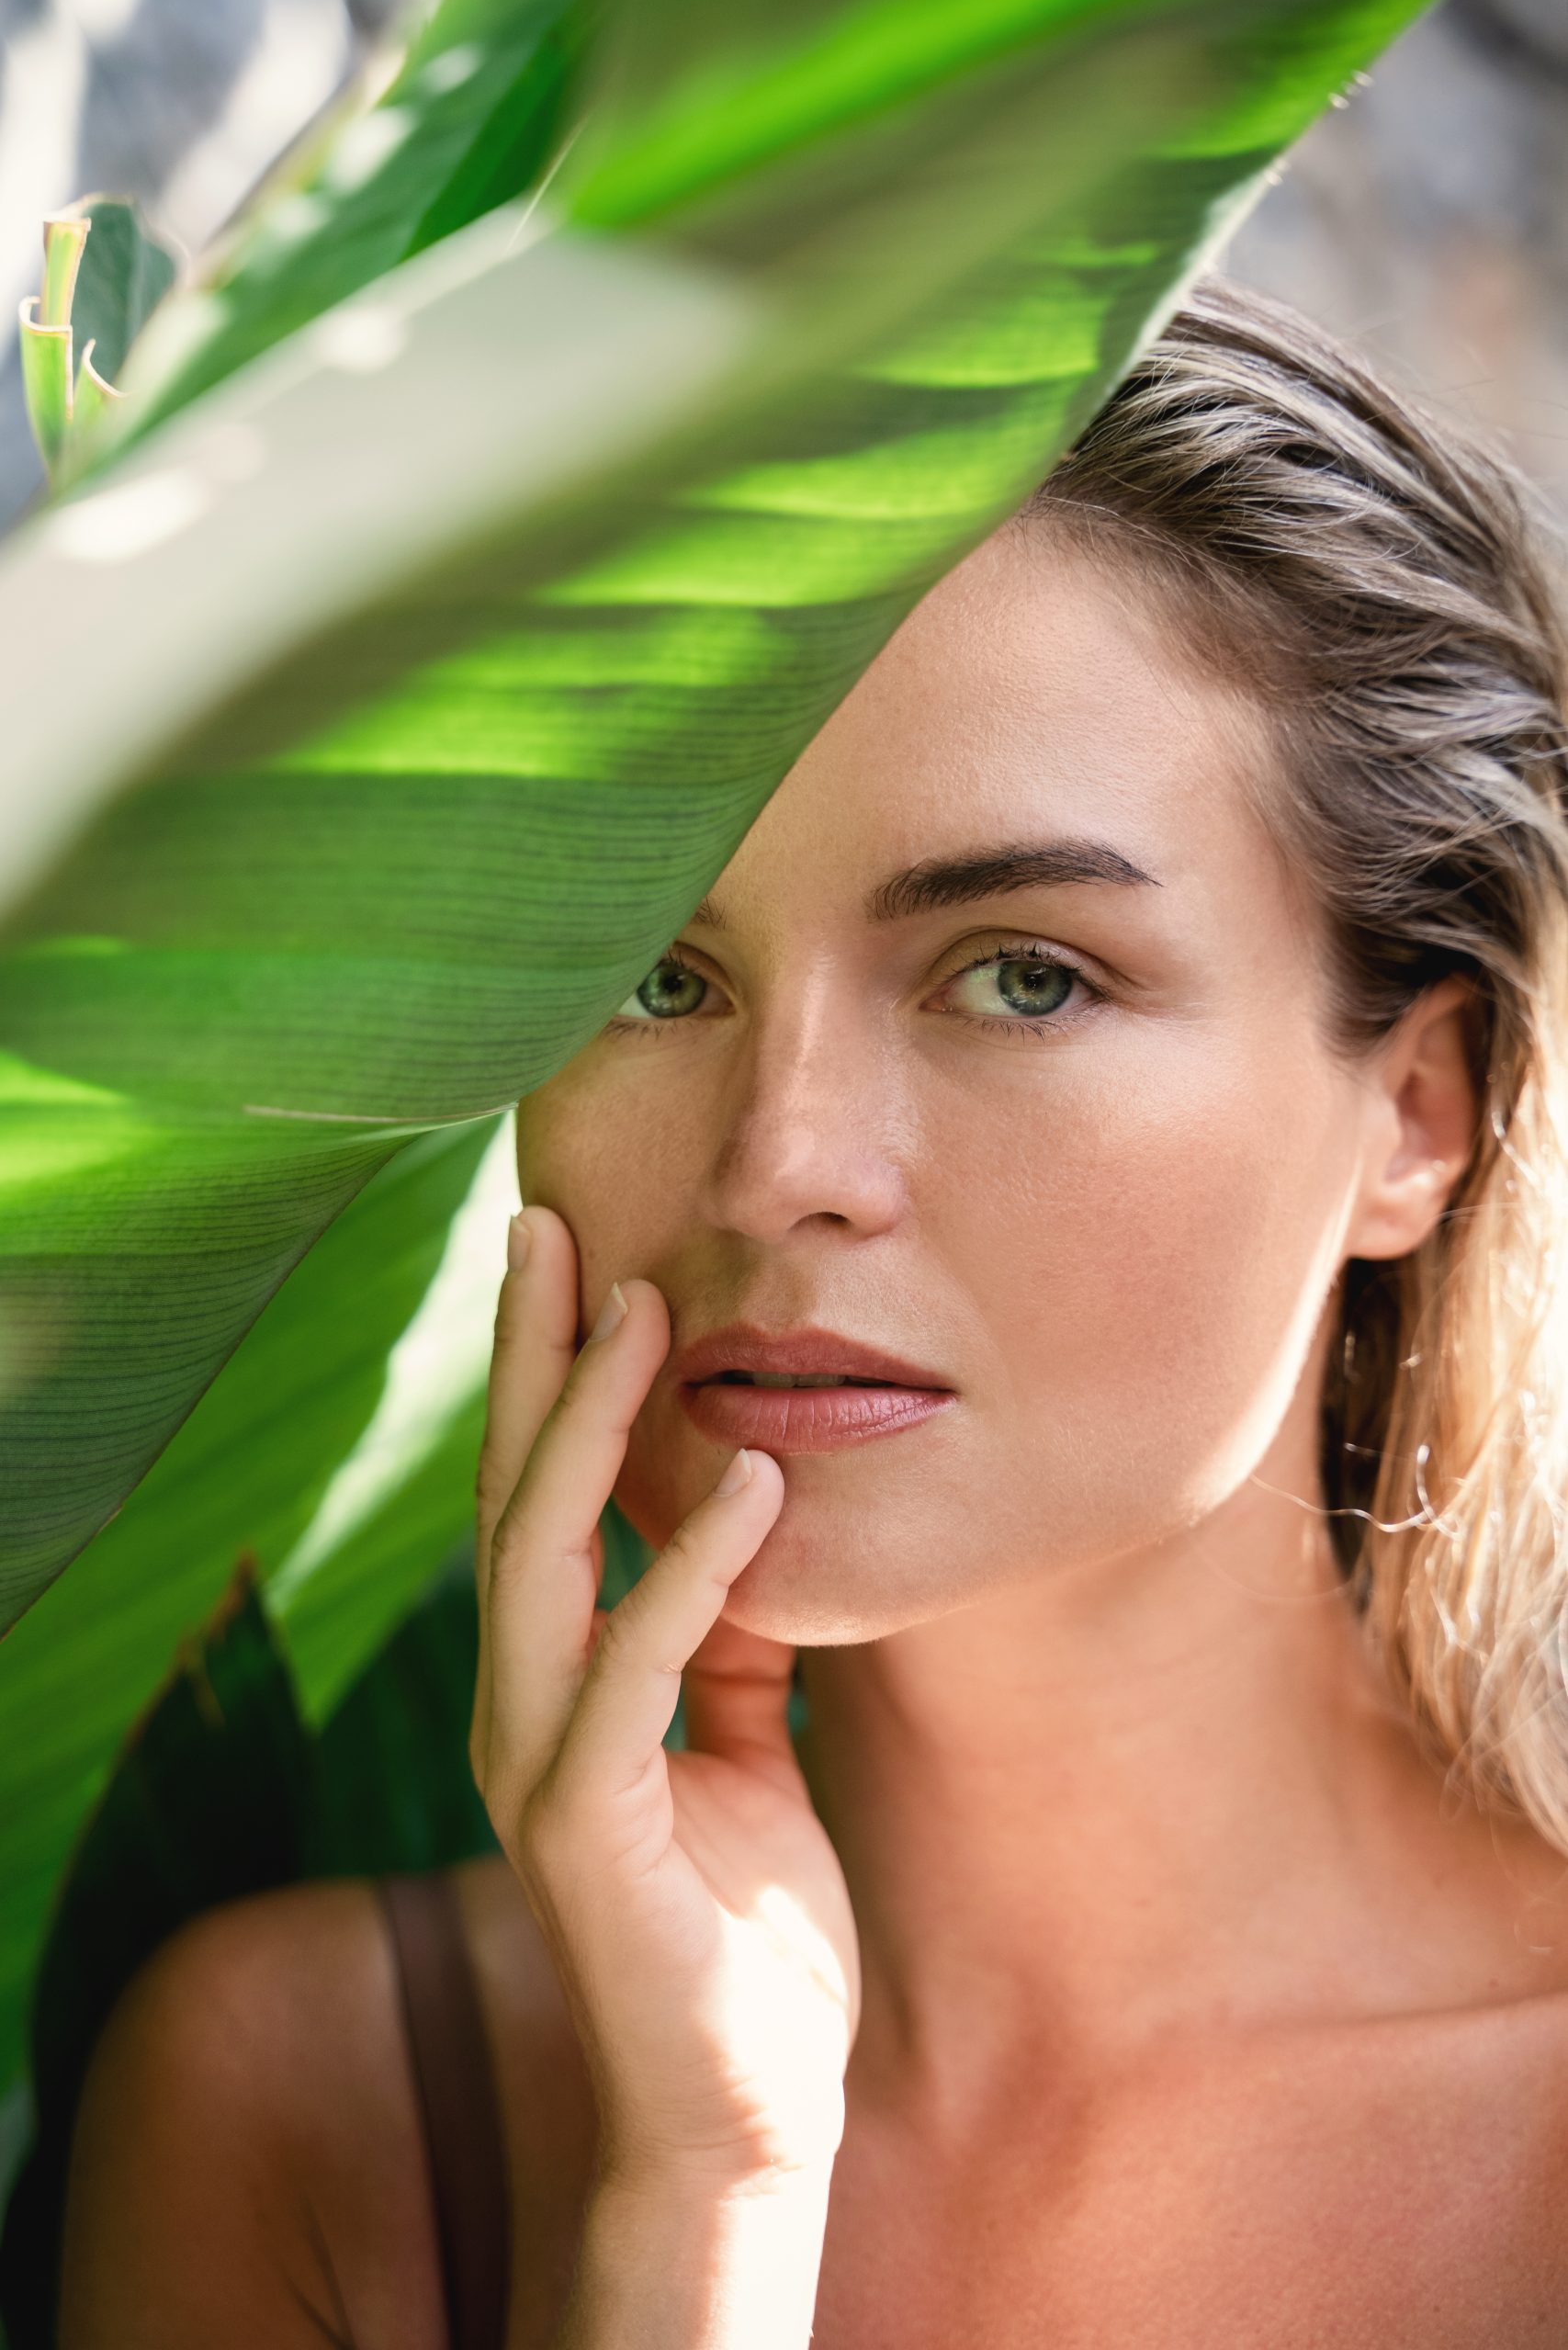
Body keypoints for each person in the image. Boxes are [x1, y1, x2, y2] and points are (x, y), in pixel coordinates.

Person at [58, 275, 1568, 2349]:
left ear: (1416, 1105)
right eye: (654, 976)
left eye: (1022, 972)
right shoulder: (316, 2108)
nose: (783, 1159)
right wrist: (701, 2213)